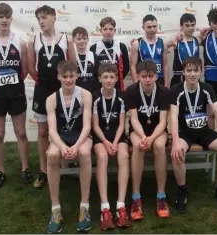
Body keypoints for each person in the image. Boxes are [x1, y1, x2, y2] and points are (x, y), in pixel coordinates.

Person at [169, 56, 217, 213]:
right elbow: (173, 116)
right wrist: (175, 141)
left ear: (201, 72)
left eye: (196, 70)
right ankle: (182, 191)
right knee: (177, 153)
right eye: (189, 70)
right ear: (183, 72)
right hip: (184, 133)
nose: (192, 74)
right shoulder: (176, 90)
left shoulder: (207, 88)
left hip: (204, 132)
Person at [0, 3, 32, 188]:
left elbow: (24, 69)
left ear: (11, 19)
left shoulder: (20, 42)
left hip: (16, 94)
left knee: (21, 132)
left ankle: (25, 168)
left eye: (7, 16)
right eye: (0, 16)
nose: (4, 20)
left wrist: (11, 83)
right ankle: (0, 171)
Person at [27, 5, 76, 188]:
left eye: (44, 17)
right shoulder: (34, 40)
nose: (41, 21)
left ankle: (65, 167)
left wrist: (64, 83)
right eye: (38, 18)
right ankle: (43, 170)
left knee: (64, 129)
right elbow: (31, 67)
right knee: (42, 132)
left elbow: (72, 65)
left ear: (54, 18)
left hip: (62, 91)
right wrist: (43, 82)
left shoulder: (66, 39)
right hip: (42, 90)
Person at [45, 60, 93, 233]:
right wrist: (63, 147)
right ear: (58, 77)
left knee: (85, 152)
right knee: (52, 155)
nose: (68, 80)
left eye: (71, 76)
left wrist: (77, 145)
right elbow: (51, 130)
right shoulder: (51, 99)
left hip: (81, 135)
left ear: (77, 76)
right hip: (60, 137)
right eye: (64, 76)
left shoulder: (86, 94)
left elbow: (87, 126)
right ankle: (55, 208)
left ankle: (84, 207)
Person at [124, 60, 170, 220]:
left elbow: (163, 121)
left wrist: (151, 138)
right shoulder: (131, 91)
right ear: (138, 76)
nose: (148, 80)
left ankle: (161, 195)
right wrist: (144, 137)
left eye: (151, 76)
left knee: (159, 146)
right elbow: (134, 119)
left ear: (156, 76)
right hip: (138, 131)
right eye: (144, 76)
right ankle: (136, 196)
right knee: (138, 146)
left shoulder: (164, 91)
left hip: (158, 130)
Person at [92, 62, 131, 230]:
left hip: (117, 136)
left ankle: (121, 206)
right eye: (105, 77)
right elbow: (94, 126)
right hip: (100, 137)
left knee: (123, 155)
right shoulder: (94, 97)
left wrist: (114, 142)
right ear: (99, 78)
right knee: (102, 156)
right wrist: (106, 142)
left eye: (112, 77)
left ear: (117, 79)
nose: (109, 80)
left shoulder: (121, 97)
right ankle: (105, 207)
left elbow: (122, 125)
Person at [90, 17, 129, 91]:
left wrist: (115, 79)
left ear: (115, 31)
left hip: (117, 85)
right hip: (99, 86)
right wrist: (101, 80)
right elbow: (92, 69)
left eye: (111, 29)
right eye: (105, 29)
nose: (108, 32)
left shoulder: (121, 46)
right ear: (100, 30)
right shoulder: (94, 48)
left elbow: (126, 67)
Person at [130, 14, 169, 87]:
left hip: (159, 78)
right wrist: (136, 84)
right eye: (149, 27)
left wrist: (166, 84)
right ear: (143, 27)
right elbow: (132, 66)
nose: (152, 29)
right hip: (144, 79)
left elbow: (165, 65)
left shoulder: (163, 43)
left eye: (154, 26)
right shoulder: (137, 43)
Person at [165, 13, 200, 87]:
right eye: (187, 25)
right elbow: (160, 44)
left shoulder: (198, 39)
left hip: (194, 77)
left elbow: (213, 29)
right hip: (179, 78)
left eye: (192, 25)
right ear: (181, 26)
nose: (190, 28)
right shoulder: (176, 40)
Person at [72, 26, 98, 94]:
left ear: (88, 39)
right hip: (75, 92)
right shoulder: (71, 56)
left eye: (84, 38)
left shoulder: (93, 55)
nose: (82, 41)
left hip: (92, 92)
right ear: (73, 40)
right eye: (79, 39)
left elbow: (97, 75)